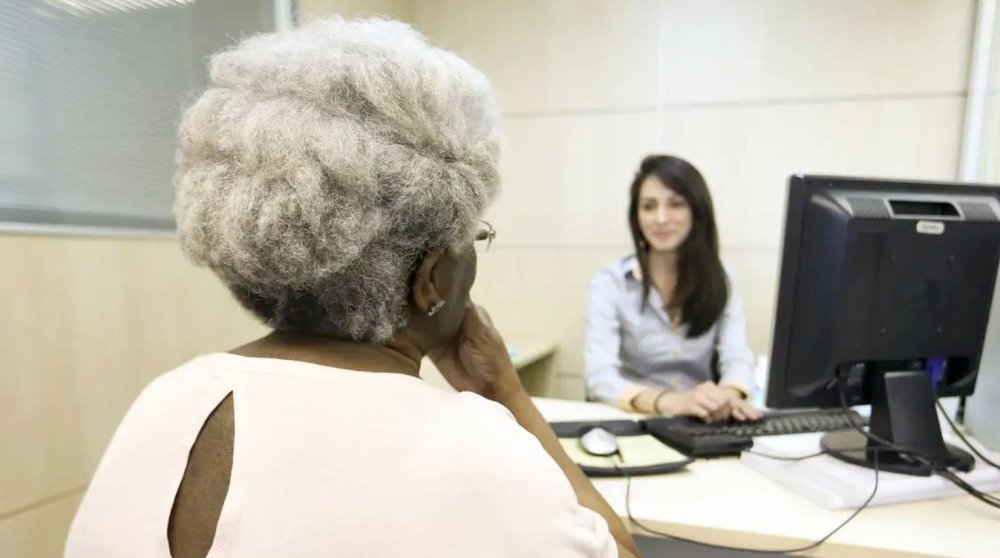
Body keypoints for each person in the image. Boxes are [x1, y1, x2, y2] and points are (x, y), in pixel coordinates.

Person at [65, 18, 639, 558]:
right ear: (430, 278)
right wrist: (507, 394)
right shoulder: (483, 450)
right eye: (474, 236)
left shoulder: (167, 401)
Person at [585, 155, 763, 423]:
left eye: (676, 204)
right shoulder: (610, 283)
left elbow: (737, 357)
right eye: (649, 206)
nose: (661, 218)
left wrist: (726, 396)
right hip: (637, 419)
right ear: (636, 216)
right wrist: (671, 402)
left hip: (702, 419)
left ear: (697, 211)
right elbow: (599, 377)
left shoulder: (721, 277)